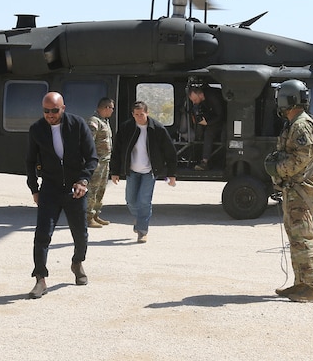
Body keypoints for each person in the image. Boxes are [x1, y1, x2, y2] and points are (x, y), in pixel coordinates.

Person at [25, 92, 98, 299]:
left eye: (54, 111)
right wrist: (34, 189)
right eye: (46, 111)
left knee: (80, 234)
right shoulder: (37, 130)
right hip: (50, 188)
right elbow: (30, 162)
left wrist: (83, 181)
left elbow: (92, 158)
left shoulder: (77, 125)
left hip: (76, 188)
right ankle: (40, 278)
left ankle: (77, 263)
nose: (50, 115)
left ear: (63, 108)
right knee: (42, 235)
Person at [265, 80, 313, 303]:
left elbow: (303, 157)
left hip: (301, 187)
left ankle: (310, 286)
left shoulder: (300, 125)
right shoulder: (297, 123)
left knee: (302, 237)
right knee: (296, 236)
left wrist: (278, 168)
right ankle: (301, 283)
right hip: (296, 186)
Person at [110, 100, 177, 243]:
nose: (139, 117)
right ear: (132, 115)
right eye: (136, 114)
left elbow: (170, 151)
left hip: (149, 171)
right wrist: (115, 171)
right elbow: (117, 151)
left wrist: (171, 174)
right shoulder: (126, 128)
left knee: (144, 201)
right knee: (131, 201)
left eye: (142, 114)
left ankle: (142, 230)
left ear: (147, 113)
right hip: (132, 170)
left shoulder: (157, 129)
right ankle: (140, 219)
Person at [86, 97, 114, 228]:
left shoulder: (104, 121)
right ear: (106, 108)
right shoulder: (94, 121)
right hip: (97, 162)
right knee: (93, 189)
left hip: (105, 162)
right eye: (111, 108)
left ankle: (96, 214)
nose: (112, 111)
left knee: (101, 189)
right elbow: (89, 142)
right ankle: (88, 216)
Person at [188, 85, 225, 171]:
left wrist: (207, 123)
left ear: (200, 94)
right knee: (207, 132)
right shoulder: (201, 102)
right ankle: (203, 160)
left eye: (195, 100)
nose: (194, 102)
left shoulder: (213, 97)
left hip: (225, 118)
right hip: (214, 118)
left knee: (214, 134)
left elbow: (221, 115)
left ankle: (211, 162)